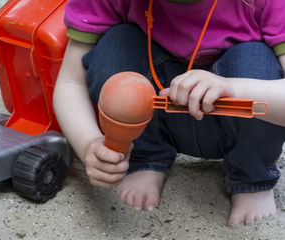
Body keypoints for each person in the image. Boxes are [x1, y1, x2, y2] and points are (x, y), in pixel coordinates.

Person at [53, 0, 285, 226]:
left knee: (253, 58)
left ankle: (252, 177)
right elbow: (72, 82)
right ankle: (146, 158)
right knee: (116, 44)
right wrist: (88, 144)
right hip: (155, 108)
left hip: (234, 115)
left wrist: (235, 88)